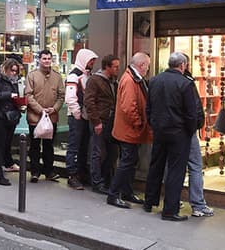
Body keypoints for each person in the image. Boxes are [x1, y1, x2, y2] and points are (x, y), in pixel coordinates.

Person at [144, 52, 198, 221]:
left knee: (156, 165)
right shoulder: (185, 84)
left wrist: (153, 124)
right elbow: (191, 114)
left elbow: (149, 107)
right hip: (178, 133)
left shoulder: (154, 80)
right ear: (182, 65)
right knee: (176, 170)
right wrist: (190, 130)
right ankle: (170, 210)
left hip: (160, 131)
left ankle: (149, 202)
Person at [107, 52, 152, 209]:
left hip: (130, 130)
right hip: (129, 130)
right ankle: (114, 194)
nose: (148, 68)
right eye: (147, 65)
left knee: (130, 162)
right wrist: (139, 123)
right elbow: (128, 107)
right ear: (141, 65)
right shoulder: (129, 80)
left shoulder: (133, 78)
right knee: (126, 162)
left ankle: (126, 192)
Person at [181, 54, 214, 218]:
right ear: (184, 65)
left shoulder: (161, 80)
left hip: (171, 131)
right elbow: (193, 109)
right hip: (187, 131)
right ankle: (198, 205)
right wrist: (196, 125)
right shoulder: (187, 83)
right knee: (195, 165)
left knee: (174, 165)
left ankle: (173, 200)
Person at [25, 50, 64, 183]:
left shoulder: (57, 77)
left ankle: (49, 171)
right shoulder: (32, 76)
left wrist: (54, 109)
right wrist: (41, 110)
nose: (47, 61)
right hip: (35, 117)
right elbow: (28, 96)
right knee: (35, 146)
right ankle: (35, 172)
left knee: (49, 146)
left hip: (51, 117)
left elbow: (61, 96)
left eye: (49, 58)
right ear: (39, 60)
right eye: (44, 58)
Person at [84, 54, 121, 194]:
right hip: (99, 121)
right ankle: (97, 182)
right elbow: (89, 102)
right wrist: (96, 122)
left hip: (111, 121)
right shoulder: (95, 80)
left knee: (111, 153)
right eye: (115, 66)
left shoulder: (113, 81)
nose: (118, 69)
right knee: (97, 152)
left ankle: (107, 180)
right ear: (107, 67)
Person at [0, 59, 23, 186]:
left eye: (16, 71)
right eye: (11, 70)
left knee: (4, 144)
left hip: (11, 117)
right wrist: (9, 95)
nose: (14, 73)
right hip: (0, 117)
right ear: (5, 69)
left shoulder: (15, 82)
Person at [65, 48, 98, 190]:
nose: (92, 63)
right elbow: (70, 97)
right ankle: (72, 175)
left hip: (84, 116)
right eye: (91, 60)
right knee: (74, 146)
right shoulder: (74, 76)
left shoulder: (87, 74)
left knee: (83, 146)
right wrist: (77, 114)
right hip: (77, 117)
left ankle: (81, 173)